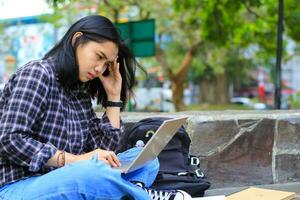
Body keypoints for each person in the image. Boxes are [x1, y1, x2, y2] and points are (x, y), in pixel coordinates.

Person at [0, 15, 191, 200]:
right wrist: (75, 161)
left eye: (106, 64)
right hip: (15, 187)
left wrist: (114, 97)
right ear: (77, 40)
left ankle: (126, 192)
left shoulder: (79, 93)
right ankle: (140, 194)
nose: (100, 69)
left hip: (70, 179)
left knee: (146, 160)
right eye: (98, 56)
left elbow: (103, 152)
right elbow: (9, 139)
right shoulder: (37, 74)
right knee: (92, 173)